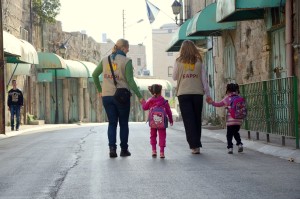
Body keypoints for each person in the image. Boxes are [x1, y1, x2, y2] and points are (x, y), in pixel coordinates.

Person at [92, 39, 144, 158]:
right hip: (122, 97)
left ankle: (112, 149)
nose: (128, 50)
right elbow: (130, 81)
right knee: (124, 124)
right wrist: (140, 96)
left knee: (112, 123)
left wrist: (100, 91)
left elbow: (94, 75)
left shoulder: (105, 60)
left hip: (107, 96)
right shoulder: (126, 61)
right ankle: (124, 149)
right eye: (127, 47)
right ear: (123, 48)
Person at [172, 40, 211, 154]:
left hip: (183, 93)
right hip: (197, 93)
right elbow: (204, 80)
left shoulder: (178, 61)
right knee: (196, 119)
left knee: (189, 121)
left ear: (182, 50)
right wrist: (208, 95)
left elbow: (174, 77)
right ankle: (197, 144)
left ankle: (194, 146)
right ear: (194, 48)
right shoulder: (199, 61)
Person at [207, 83, 244, 154]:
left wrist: (212, 102)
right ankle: (239, 144)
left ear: (228, 90)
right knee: (236, 132)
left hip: (230, 121)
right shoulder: (239, 97)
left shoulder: (227, 98)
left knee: (229, 135)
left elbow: (219, 104)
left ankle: (230, 148)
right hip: (238, 120)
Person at [141, 84, 173, 158]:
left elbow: (145, 107)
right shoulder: (164, 101)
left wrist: (143, 102)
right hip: (162, 123)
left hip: (153, 123)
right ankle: (162, 152)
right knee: (162, 136)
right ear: (160, 91)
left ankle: (154, 151)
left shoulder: (150, 100)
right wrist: (170, 120)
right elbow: (168, 111)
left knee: (153, 136)